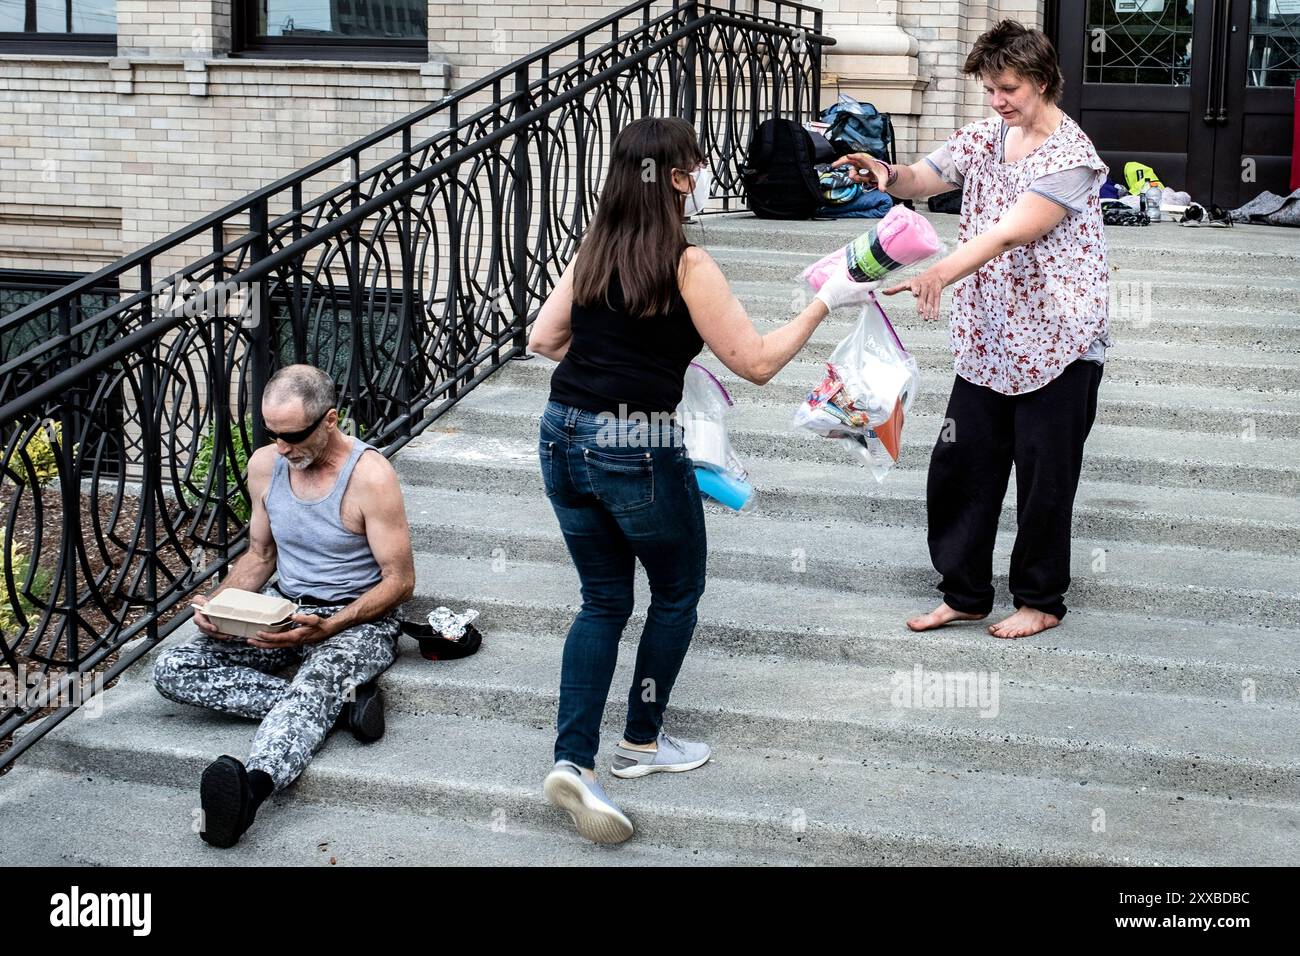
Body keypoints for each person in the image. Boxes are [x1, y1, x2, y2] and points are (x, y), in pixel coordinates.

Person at [527, 116, 877, 843]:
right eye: (698, 165)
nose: (705, 173)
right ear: (679, 177)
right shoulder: (688, 265)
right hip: (636, 444)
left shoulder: (594, 250)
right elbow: (753, 362)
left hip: (563, 431)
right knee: (677, 592)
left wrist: (631, 351)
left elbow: (543, 340)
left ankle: (574, 759)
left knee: (600, 601)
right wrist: (824, 302)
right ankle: (642, 744)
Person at [833, 19, 1110, 640]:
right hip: (991, 338)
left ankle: (1040, 599)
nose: (997, 100)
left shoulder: (1071, 156)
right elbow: (925, 177)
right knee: (960, 466)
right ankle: (964, 594)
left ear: (1041, 80)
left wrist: (939, 274)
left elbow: (1009, 231)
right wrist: (885, 174)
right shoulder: (987, 135)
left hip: (1061, 339)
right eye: (989, 88)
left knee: (1045, 477)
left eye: (1007, 87)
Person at [152, 364, 416, 848]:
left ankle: (251, 793)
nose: (281, 447)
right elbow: (260, 555)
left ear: (330, 420)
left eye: (292, 436)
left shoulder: (371, 476)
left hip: (357, 619)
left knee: (316, 680)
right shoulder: (265, 465)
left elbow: (400, 582)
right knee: (173, 666)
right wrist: (220, 605)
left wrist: (328, 626)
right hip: (282, 607)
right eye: (272, 433)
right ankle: (337, 710)